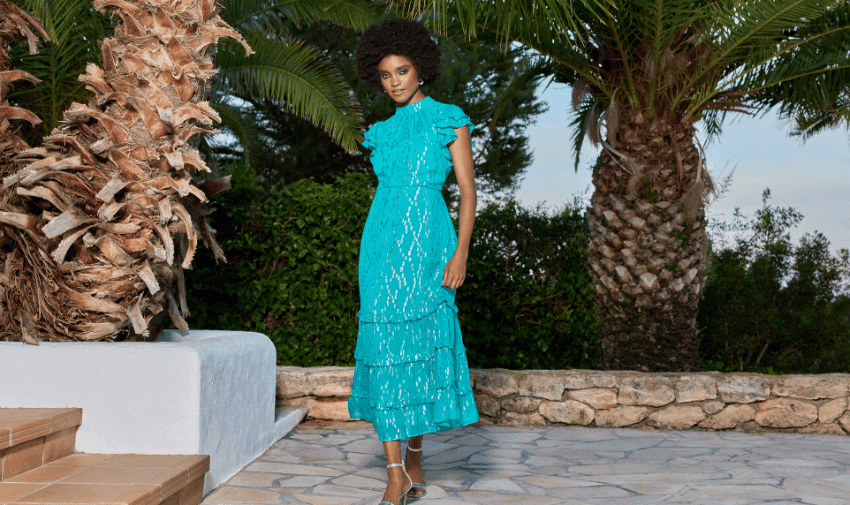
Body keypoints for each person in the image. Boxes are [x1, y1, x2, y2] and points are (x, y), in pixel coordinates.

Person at [347, 17, 480, 505]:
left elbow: (466, 191)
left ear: (420, 70)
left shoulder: (449, 118)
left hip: (429, 247)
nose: (394, 81)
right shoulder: (379, 133)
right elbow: (387, 197)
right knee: (385, 349)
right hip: (381, 248)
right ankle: (394, 471)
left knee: (421, 348)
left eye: (402, 71)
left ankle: (417, 459)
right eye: (385, 75)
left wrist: (460, 251)